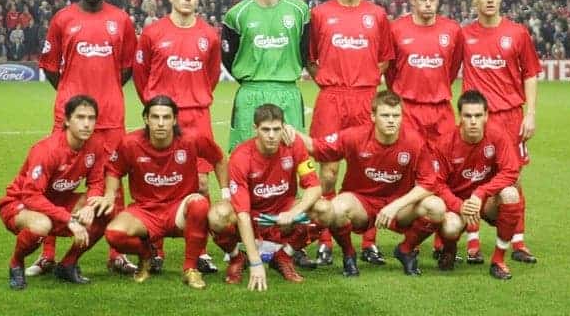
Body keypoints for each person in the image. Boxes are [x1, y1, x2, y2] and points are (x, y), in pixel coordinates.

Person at [34, 0, 138, 276]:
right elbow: (51, 66)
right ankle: (47, 253)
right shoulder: (62, 19)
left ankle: (116, 253)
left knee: (113, 185)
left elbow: (127, 69)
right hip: (69, 117)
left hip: (109, 118)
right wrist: (72, 101)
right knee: (56, 183)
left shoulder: (120, 20)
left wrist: (102, 93)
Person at [287, 91, 445, 277]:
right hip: (362, 202)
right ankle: (349, 254)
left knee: (436, 207)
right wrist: (289, 131)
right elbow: (317, 147)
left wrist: (395, 206)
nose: (391, 121)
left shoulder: (414, 141)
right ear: (373, 116)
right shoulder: (355, 136)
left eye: (396, 115)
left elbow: (429, 182)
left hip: (399, 205)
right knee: (336, 209)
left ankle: (406, 250)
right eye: (385, 115)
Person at [307, 0, 394, 267]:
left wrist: (365, 83)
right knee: (328, 173)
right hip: (332, 98)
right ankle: (326, 239)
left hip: (365, 97)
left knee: (368, 172)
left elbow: (384, 58)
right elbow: (310, 57)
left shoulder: (377, 15)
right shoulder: (320, 14)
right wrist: (328, 84)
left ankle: (369, 242)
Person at [132, 0, 222, 274]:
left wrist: (194, 98)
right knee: (157, 180)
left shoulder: (209, 35)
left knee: (202, 183)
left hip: (197, 114)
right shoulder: (153, 33)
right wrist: (157, 105)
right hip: (163, 115)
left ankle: (200, 251)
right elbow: (141, 75)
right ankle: (155, 248)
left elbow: (211, 76)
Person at [96, 95, 228, 289]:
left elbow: (218, 158)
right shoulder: (130, 143)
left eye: (166, 117)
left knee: (199, 203)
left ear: (175, 120)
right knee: (114, 234)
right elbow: (114, 170)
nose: (160, 123)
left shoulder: (191, 139)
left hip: (179, 209)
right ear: (146, 119)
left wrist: (226, 194)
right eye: (155, 117)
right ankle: (146, 255)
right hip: (145, 210)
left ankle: (190, 268)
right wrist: (109, 195)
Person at [208, 104, 332, 290]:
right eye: (266, 129)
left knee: (325, 210)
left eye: (276, 129)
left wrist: (294, 212)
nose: (272, 135)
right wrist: (256, 262)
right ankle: (236, 258)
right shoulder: (241, 156)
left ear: (284, 127)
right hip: (252, 214)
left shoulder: (294, 144)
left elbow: (314, 187)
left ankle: (284, 256)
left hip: (283, 211)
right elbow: (242, 214)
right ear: (255, 129)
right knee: (217, 215)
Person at [461, 0, 541, 263]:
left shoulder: (517, 33)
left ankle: (517, 241)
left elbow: (531, 74)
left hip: (509, 117)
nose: (490, 0)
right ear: (475, 0)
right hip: (477, 119)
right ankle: (472, 241)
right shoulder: (464, 35)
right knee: (472, 177)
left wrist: (530, 114)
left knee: (513, 178)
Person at [386, 0, 464, 258]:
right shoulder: (397, 29)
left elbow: (453, 68)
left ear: (438, 0)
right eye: (423, 0)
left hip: (440, 109)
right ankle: (411, 231)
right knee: (408, 170)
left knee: (444, 170)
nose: (428, 5)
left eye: (433, 0)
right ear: (412, 0)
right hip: (409, 109)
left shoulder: (452, 30)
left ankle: (443, 235)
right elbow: (390, 71)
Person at [0, 96, 109, 290]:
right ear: (66, 120)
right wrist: (70, 219)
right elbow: (31, 196)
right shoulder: (47, 150)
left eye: (91, 118)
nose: (86, 124)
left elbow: (97, 182)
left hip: (57, 202)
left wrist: (91, 204)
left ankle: (67, 264)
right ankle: (16, 263)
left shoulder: (95, 145)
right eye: (80, 117)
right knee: (42, 224)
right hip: (18, 203)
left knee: (105, 209)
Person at [221, 0, 309, 153]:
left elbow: (304, 51)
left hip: (288, 92)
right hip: (250, 92)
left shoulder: (299, 11)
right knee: (244, 157)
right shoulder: (237, 14)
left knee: (292, 158)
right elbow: (228, 58)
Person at [435, 90, 522, 280]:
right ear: (460, 117)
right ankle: (449, 250)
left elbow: (511, 171)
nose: (473, 121)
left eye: (478, 115)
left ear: (486, 116)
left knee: (511, 194)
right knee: (450, 227)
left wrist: (482, 192)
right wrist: (460, 206)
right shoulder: (445, 143)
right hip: (458, 205)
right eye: (467, 116)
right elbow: (437, 184)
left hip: (485, 201)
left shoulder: (497, 136)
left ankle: (498, 260)